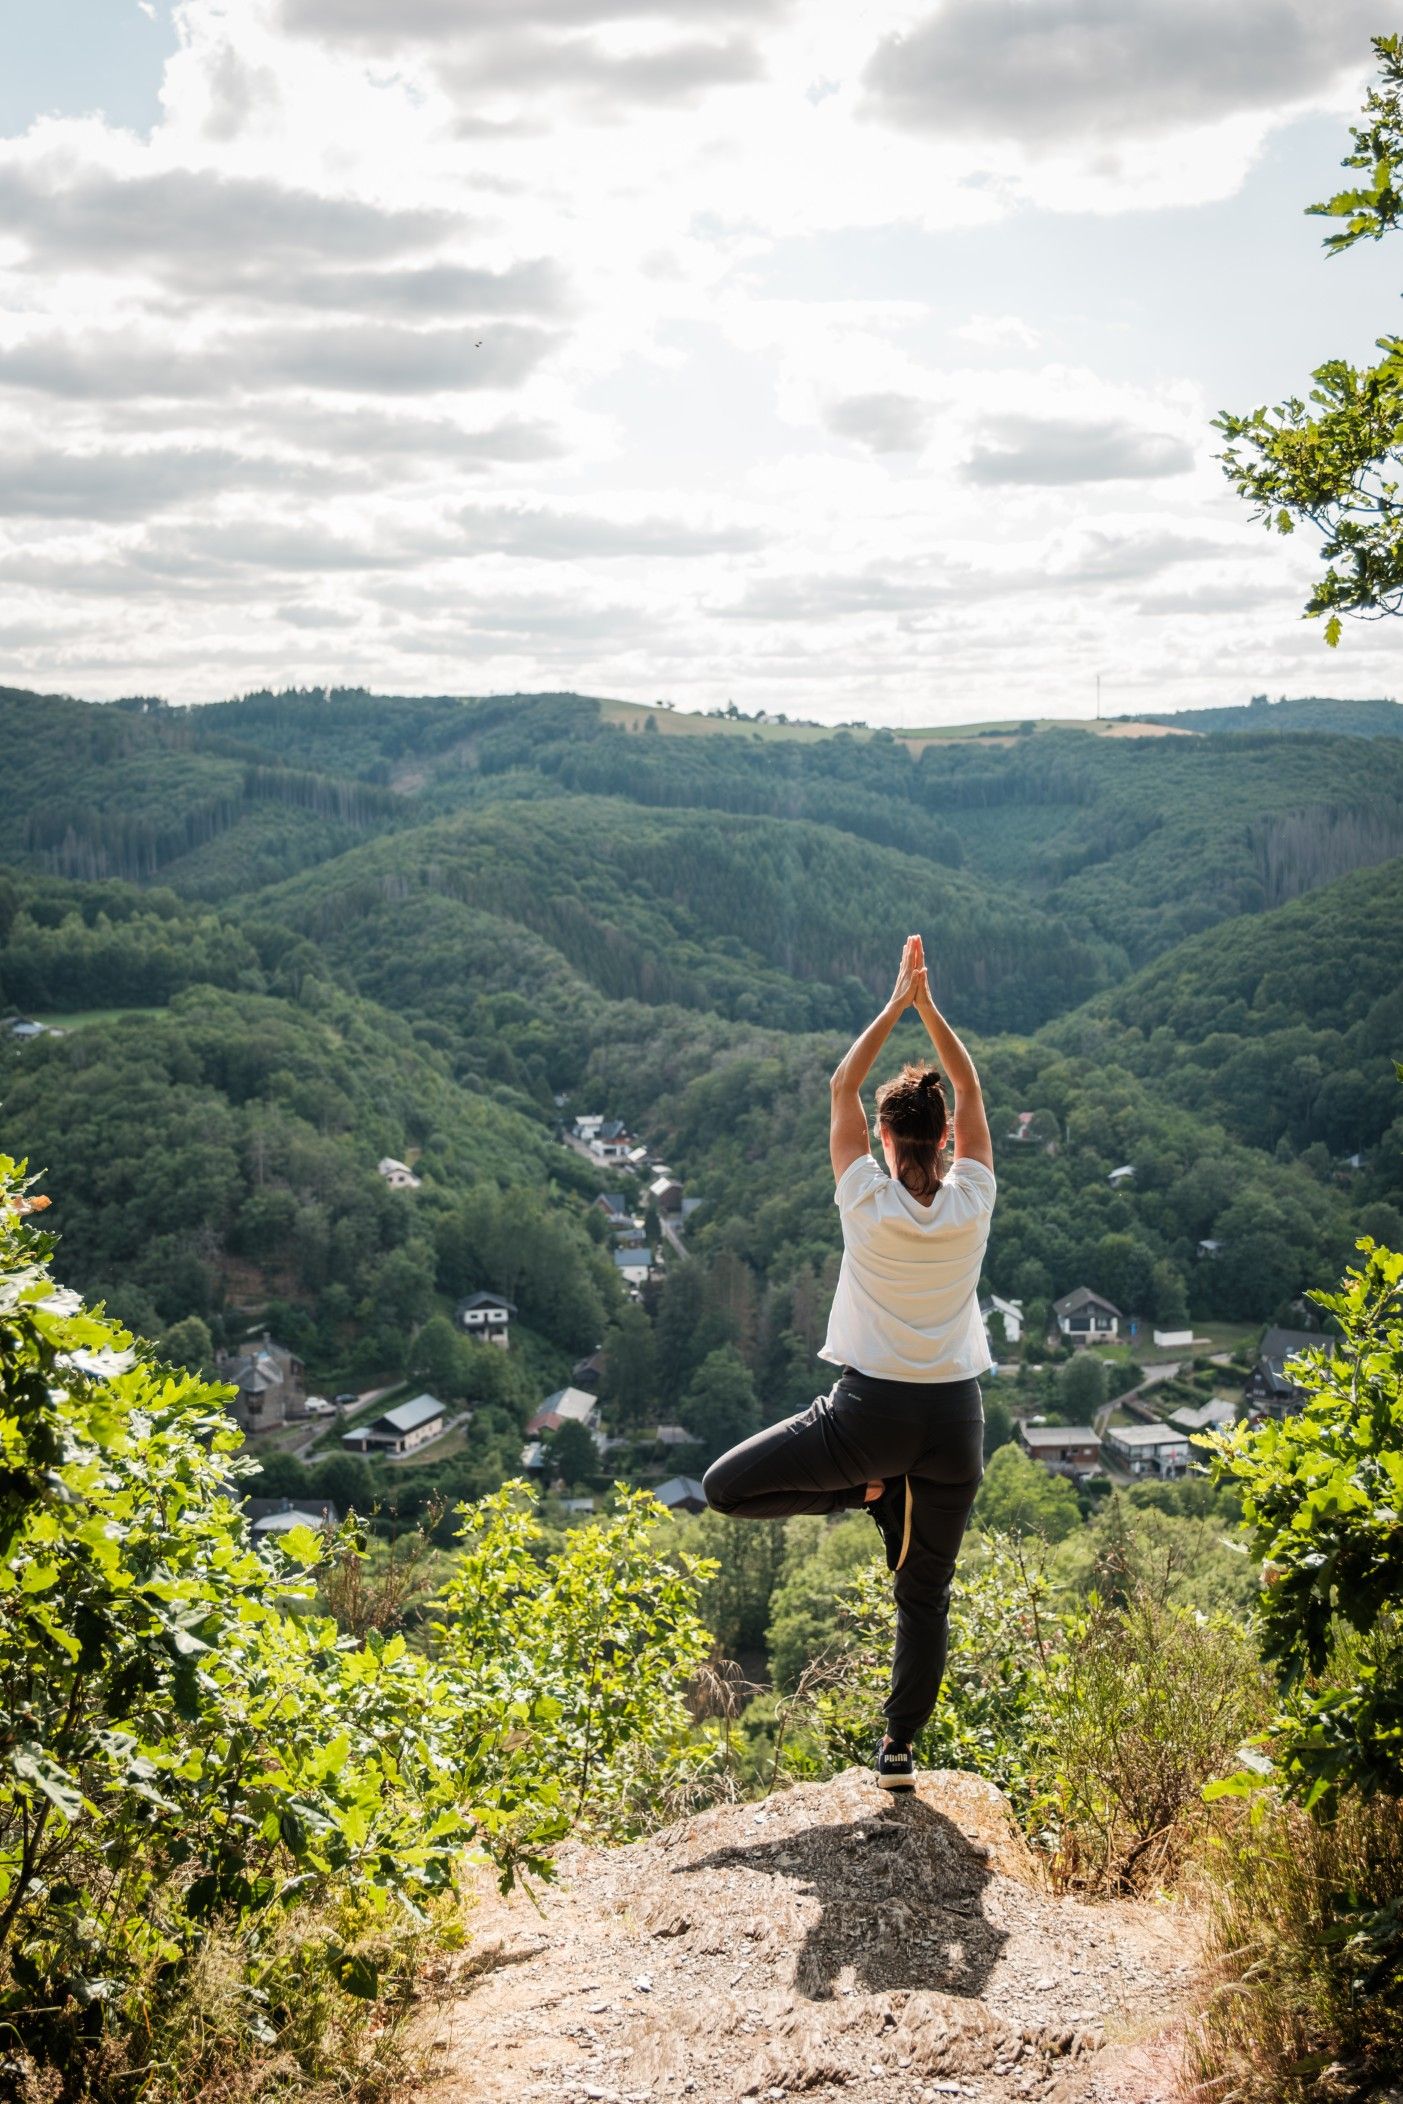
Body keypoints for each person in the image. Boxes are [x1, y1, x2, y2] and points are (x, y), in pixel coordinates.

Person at [703, 934, 995, 1792]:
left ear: (879, 1133)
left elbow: (840, 1084)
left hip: (868, 1420)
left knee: (725, 1489)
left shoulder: (863, 1198)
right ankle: (898, 1752)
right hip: (954, 1424)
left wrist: (897, 1003)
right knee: (924, 1599)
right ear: (946, 1137)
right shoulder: (973, 1201)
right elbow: (972, 1086)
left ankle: (862, 1492)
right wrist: (930, 1010)